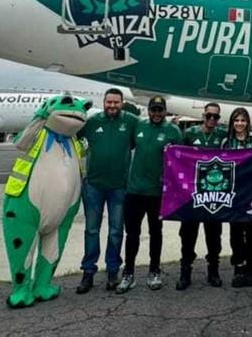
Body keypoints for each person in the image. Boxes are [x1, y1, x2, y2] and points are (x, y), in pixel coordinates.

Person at [75, 87, 137, 294]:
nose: (112, 106)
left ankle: (112, 271)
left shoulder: (130, 122)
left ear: (121, 103)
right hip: (93, 186)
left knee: (116, 232)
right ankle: (88, 272)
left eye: (116, 102)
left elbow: (146, 140)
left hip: (119, 187)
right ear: (104, 102)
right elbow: (71, 134)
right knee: (91, 230)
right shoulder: (92, 122)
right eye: (109, 102)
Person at [118, 94, 182, 293]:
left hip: (156, 193)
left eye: (159, 110)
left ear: (165, 111)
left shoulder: (173, 131)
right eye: (153, 110)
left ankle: (154, 270)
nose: (156, 113)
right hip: (134, 191)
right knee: (132, 234)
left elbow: (180, 159)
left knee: (155, 233)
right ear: (148, 110)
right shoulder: (139, 126)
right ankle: (128, 272)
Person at [176, 101, 227, 290]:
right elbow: (178, 157)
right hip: (192, 193)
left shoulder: (222, 135)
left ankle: (213, 270)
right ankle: (185, 270)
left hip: (214, 193)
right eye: (209, 116)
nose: (212, 119)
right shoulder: (190, 133)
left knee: (214, 234)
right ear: (203, 115)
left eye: (216, 116)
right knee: (188, 234)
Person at [221, 107, 252, 288]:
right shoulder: (226, 141)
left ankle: (251, 267)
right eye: (236, 120)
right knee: (236, 231)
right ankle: (238, 266)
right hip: (235, 194)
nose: (240, 124)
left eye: (243, 120)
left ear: (248, 122)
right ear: (232, 122)